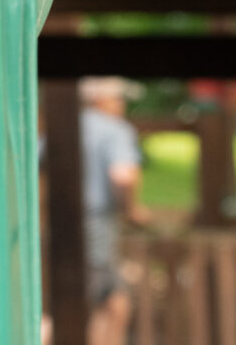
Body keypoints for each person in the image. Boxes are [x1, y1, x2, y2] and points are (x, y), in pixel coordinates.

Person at [80, 77, 146, 345]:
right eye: (117, 97)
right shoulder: (115, 130)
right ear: (99, 98)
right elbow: (123, 176)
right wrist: (131, 210)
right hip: (97, 223)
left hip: (61, 224)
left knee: (115, 296)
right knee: (98, 300)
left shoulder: (65, 125)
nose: (122, 104)